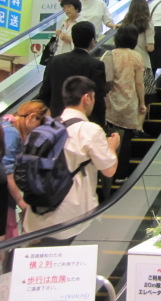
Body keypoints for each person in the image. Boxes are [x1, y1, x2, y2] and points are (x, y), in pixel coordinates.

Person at [23, 77, 119, 246]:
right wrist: (112, 147)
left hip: (36, 214)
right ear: (87, 98)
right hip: (69, 216)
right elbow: (109, 170)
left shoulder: (47, 126)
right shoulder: (88, 130)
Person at [38, 21, 106, 127]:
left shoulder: (54, 61)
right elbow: (98, 99)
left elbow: (44, 93)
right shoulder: (96, 65)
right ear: (92, 41)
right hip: (82, 125)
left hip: (56, 123)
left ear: (73, 40)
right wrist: (100, 126)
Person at [103, 25, 146, 186]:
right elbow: (139, 82)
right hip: (129, 101)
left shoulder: (110, 54)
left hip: (111, 101)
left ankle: (106, 174)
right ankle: (121, 174)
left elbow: (106, 79)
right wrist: (142, 103)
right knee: (126, 139)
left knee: (109, 138)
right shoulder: (136, 56)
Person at [2, 101, 49, 239]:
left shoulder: (9, 127)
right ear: (32, 117)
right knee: (8, 232)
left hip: (5, 192)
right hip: (3, 195)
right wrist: (20, 201)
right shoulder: (11, 133)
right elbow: (7, 171)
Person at [120, 0, 156, 126]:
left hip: (125, 64)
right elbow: (150, 47)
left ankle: (130, 125)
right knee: (145, 97)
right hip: (143, 63)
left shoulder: (124, 23)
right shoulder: (148, 23)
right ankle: (139, 127)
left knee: (131, 97)